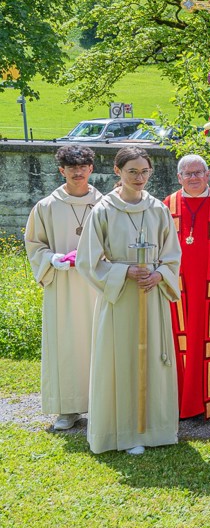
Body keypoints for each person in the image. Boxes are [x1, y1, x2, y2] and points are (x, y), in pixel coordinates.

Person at [77, 146, 181, 455]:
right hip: (120, 299)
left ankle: (155, 431)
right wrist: (124, 273)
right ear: (118, 172)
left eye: (144, 171)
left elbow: (172, 255)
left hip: (152, 297)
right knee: (119, 360)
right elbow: (89, 261)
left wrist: (159, 275)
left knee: (154, 360)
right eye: (132, 171)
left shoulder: (158, 209)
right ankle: (121, 432)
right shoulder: (103, 210)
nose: (139, 177)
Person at [24, 145, 102, 431]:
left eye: (83, 167)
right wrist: (51, 258)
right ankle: (67, 408)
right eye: (71, 168)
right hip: (63, 287)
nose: (78, 172)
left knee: (99, 342)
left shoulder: (105, 204)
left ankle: (101, 404)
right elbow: (34, 243)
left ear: (91, 168)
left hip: (97, 284)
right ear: (62, 170)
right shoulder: (46, 206)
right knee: (66, 344)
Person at [164, 155, 210, 420]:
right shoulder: (167, 206)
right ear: (179, 177)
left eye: (198, 172)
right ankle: (184, 397)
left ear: (207, 175)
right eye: (188, 173)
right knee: (182, 342)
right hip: (179, 290)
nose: (194, 177)